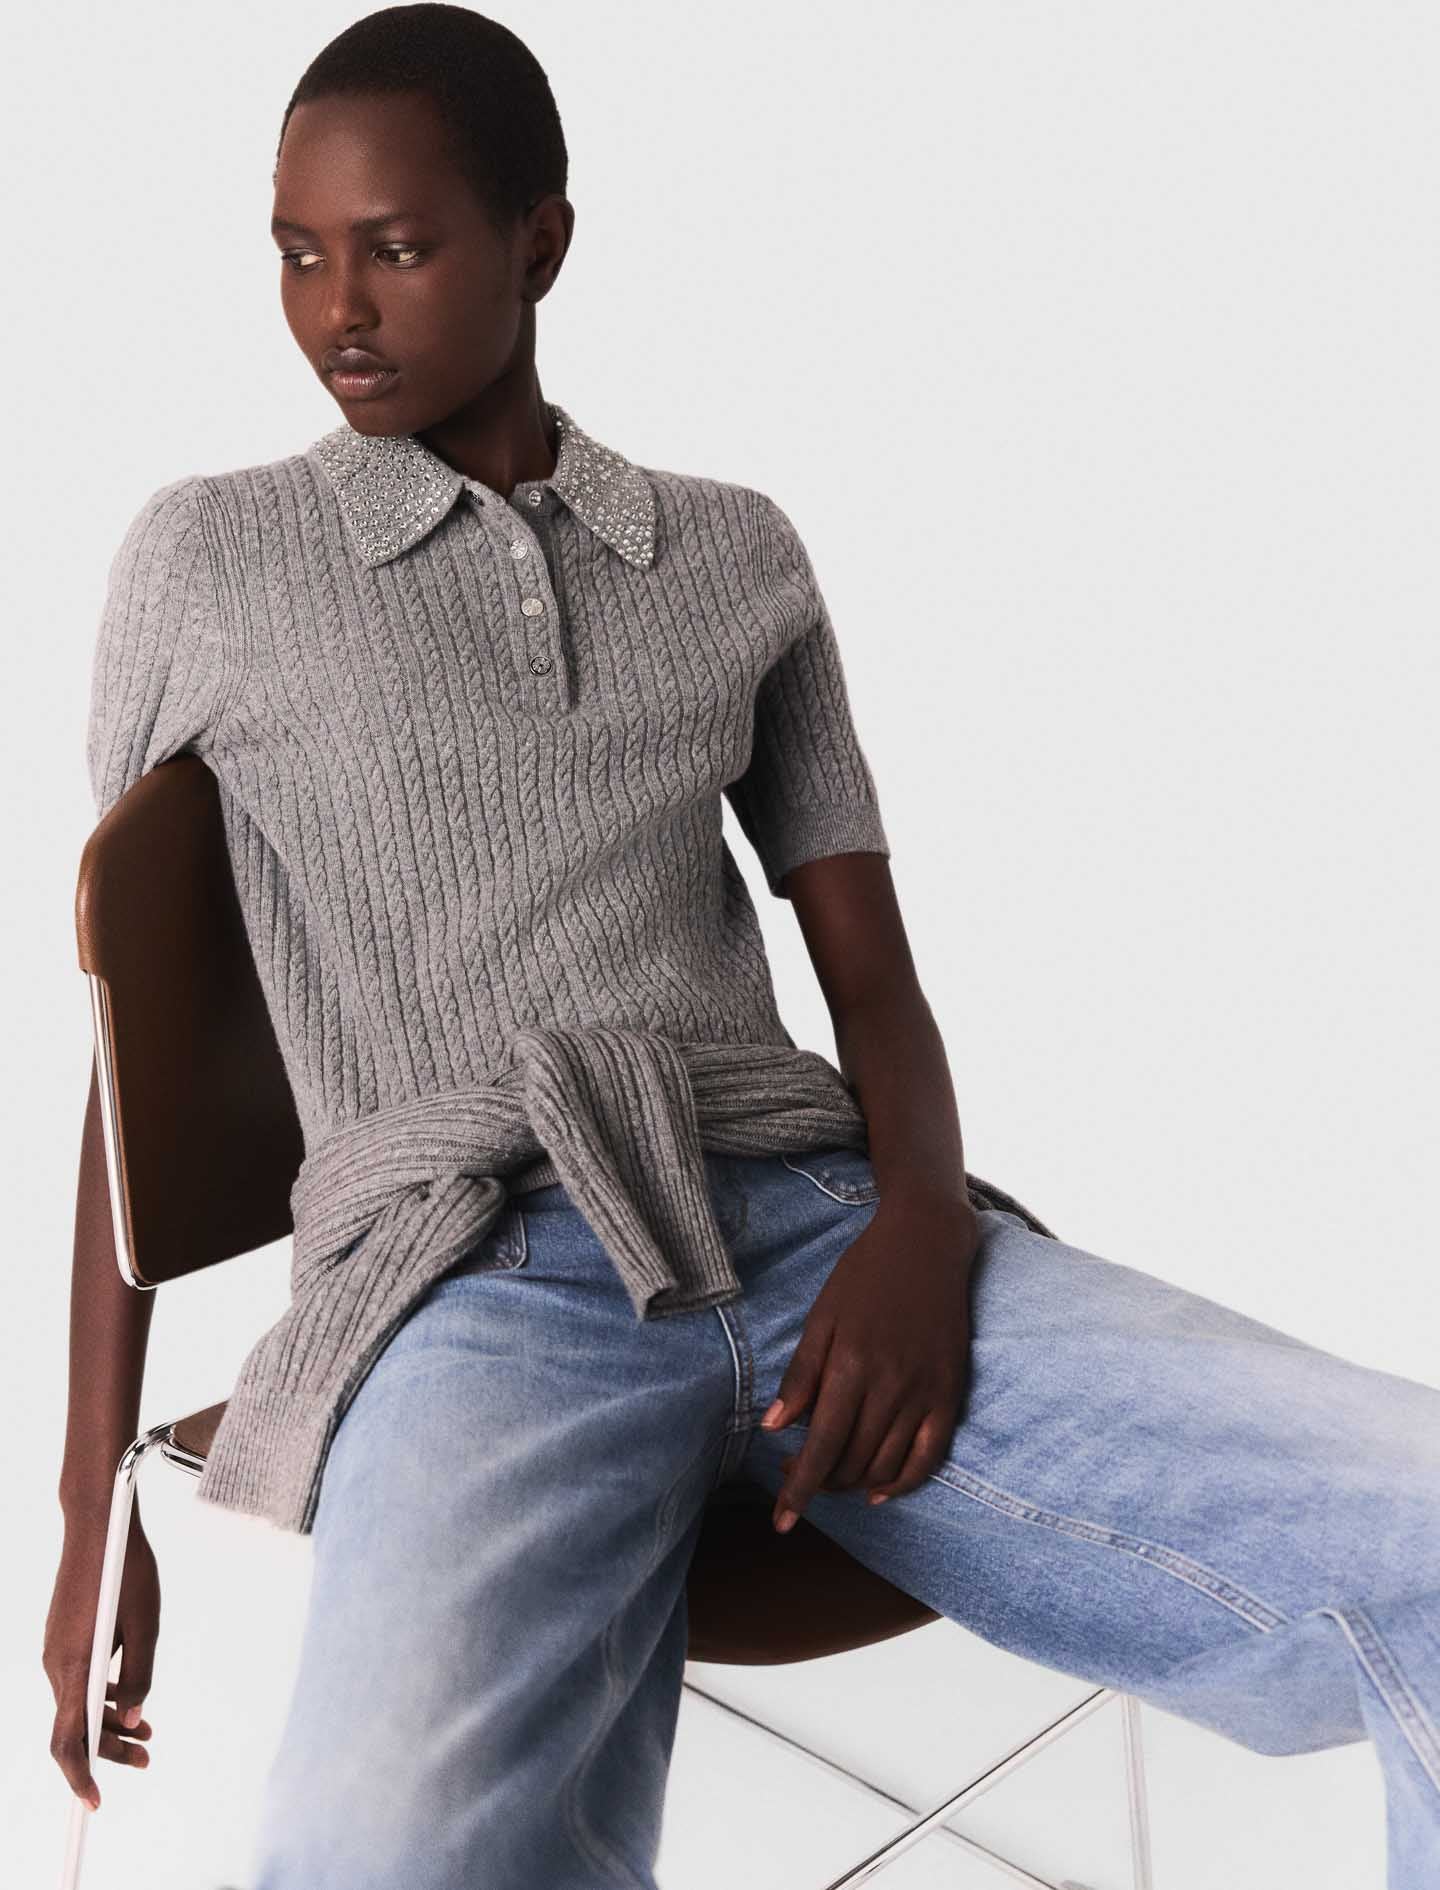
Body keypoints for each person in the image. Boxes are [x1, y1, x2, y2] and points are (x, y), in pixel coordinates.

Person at [45, 7, 1440, 1886]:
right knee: (384, 1852)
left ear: (540, 241)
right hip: (470, 1271)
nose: (338, 310)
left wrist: (921, 1224)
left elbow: (874, 976)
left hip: (815, 1228)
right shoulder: (209, 557)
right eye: (299, 253)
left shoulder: (728, 552)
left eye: (399, 246)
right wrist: (84, 1519)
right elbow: (125, 1063)